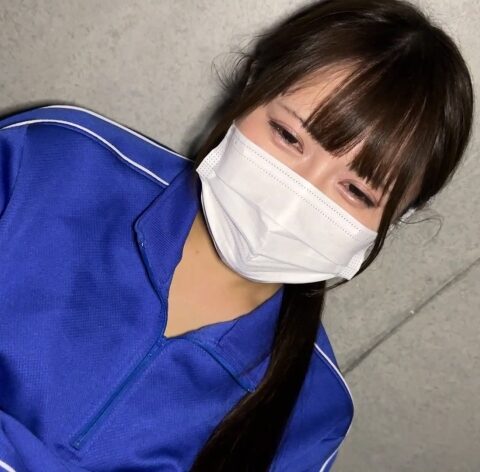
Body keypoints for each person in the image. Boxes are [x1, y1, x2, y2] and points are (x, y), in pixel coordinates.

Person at [0, 0, 474, 470]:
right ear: (252, 87)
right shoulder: (51, 164)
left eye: (355, 190)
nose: (294, 201)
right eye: (288, 136)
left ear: (398, 217)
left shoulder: (313, 414)